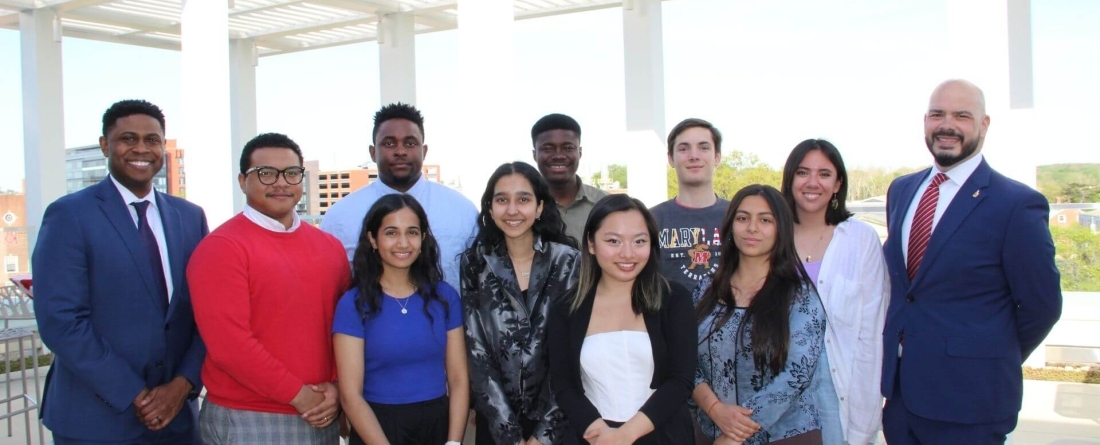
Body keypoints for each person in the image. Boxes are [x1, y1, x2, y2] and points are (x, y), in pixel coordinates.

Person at [881, 79, 1061, 444]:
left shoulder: (1016, 204)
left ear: (984, 124)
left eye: (962, 115)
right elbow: (907, 289)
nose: (947, 125)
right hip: (901, 399)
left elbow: (1042, 307)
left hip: (971, 403)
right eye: (937, 114)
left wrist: (988, 355)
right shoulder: (902, 190)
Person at [32, 99, 207, 444]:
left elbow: (206, 312)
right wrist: (134, 394)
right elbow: (61, 321)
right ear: (105, 145)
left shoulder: (190, 217)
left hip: (177, 418)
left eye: (152, 140)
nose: (141, 148)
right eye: (128, 138)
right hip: (96, 420)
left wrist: (184, 383)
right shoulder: (69, 215)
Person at [187, 133, 347, 444]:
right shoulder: (221, 248)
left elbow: (346, 328)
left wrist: (339, 388)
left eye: (291, 173)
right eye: (266, 174)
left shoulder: (330, 247)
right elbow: (229, 345)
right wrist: (298, 395)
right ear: (242, 181)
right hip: (251, 416)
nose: (281, 183)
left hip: (323, 410)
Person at [548, 194, 696, 445]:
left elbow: (681, 379)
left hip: (663, 434)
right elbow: (563, 385)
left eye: (639, 241)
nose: (627, 254)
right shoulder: (566, 307)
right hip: (593, 436)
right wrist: (601, 434)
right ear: (591, 244)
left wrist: (624, 436)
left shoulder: (673, 299)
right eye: (613, 241)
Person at [693, 185, 826, 445]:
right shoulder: (704, 290)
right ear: (730, 226)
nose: (752, 228)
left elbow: (797, 373)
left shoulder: (800, 296)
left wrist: (735, 434)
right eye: (743, 218)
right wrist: (715, 410)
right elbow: (685, 359)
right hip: (711, 431)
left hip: (783, 435)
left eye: (765, 220)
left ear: (781, 229)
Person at [333, 194, 469, 445]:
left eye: (413, 232)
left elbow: (459, 380)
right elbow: (350, 395)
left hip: (438, 426)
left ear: (423, 238)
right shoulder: (353, 304)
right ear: (373, 239)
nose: (403, 243)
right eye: (391, 233)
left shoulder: (445, 297)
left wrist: (453, 442)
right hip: (378, 429)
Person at [461, 162, 580, 445]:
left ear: (539, 207)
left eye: (523, 199)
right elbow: (477, 352)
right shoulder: (475, 264)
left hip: (561, 421)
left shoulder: (568, 262)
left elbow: (573, 353)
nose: (512, 210)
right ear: (490, 208)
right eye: (502, 200)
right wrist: (510, 435)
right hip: (496, 422)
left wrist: (543, 436)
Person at [781, 139, 888, 445]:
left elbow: (871, 334)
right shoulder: (771, 235)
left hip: (837, 392)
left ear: (838, 183)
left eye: (824, 174)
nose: (812, 182)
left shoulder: (860, 239)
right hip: (775, 392)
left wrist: (864, 424)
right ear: (790, 179)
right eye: (803, 172)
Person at [322, 102, 478, 290]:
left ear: (424, 151)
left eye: (410, 143)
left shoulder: (462, 211)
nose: (400, 151)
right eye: (389, 143)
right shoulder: (339, 217)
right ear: (373, 152)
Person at [650, 118, 730, 292]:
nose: (694, 156)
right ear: (671, 158)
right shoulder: (650, 220)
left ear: (717, 157)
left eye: (704, 147)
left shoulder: (738, 216)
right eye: (683, 148)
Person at [531, 113, 609, 243]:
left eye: (568, 148)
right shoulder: (521, 207)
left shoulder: (605, 205)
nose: (558, 156)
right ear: (534, 155)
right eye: (548, 148)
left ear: (580, 152)